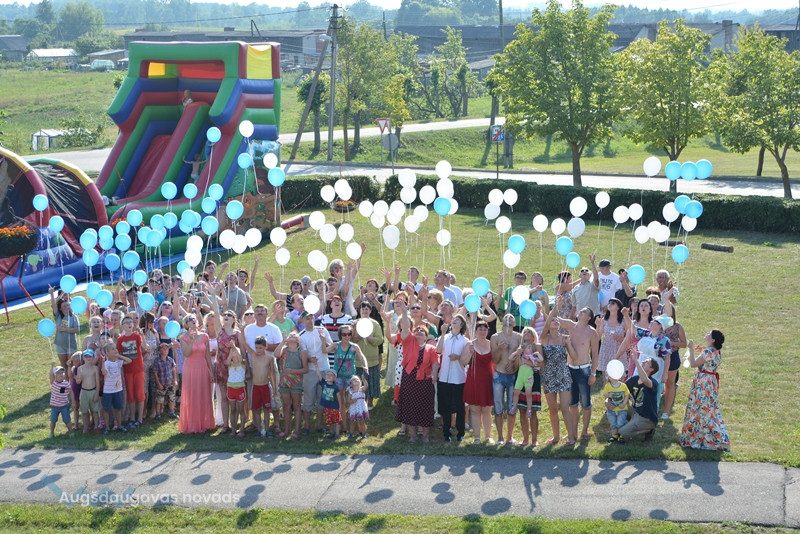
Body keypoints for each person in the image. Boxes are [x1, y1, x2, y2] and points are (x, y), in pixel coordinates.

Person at [679, 330, 730, 451]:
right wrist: (701, 351)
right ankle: (704, 436)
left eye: (709, 333)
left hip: (703, 383)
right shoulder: (715, 351)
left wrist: (691, 349)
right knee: (708, 409)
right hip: (710, 382)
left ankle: (698, 437)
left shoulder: (708, 351)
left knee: (699, 408)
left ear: (712, 340)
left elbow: (693, 364)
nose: (706, 334)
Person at [395, 308, 439, 443]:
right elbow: (405, 327)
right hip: (409, 379)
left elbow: (435, 363)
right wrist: (404, 312)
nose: (419, 331)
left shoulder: (431, 348)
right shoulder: (408, 342)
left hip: (425, 381)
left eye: (422, 331)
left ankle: (425, 436)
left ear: (426, 337)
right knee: (410, 407)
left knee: (425, 408)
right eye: (417, 330)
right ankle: (412, 436)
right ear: (413, 334)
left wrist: (434, 374)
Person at [558, 303, 600, 443]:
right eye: (580, 311)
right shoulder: (571, 325)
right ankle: (573, 431)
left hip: (584, 369)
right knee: (573, 403)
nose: (580, 312)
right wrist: (555, 305)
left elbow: (595, 354)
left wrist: (593, 373)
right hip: (570, 368)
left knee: (586, 403)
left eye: (583, 312)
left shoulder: (592, 332)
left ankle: (584, 431)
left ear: (588, 317)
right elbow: (555, 319)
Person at [177, 314, 215, 434]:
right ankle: (192, 424)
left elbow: (207, 355)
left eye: (194, 319)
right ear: (186, 324)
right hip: (190, 369)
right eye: (190, 320)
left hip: (202, 367)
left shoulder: (204, 336)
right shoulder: (183, 337)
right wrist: (192, 340)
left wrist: (211, 371)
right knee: (191, 395)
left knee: (203, 394)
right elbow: (186, 354)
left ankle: (204, 423)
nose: (193, 321)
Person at [298, 312, 334, 434]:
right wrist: (309, 359)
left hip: (325, 369)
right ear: (303, 320)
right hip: (310, 371)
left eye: (311, 318)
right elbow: (302, 356)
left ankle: (319, 425)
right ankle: (307, 426)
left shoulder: (322, 330)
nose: (310, 320)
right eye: (307, 318)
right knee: (308, 399)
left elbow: (332, 346)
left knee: (322, 398)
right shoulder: (301, 336)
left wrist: (324, 343)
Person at [435, 314, 469, 443]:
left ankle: (460, 432)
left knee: (459, 407)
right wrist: (443, 333)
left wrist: (458, 357)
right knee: (446, 407)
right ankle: (446, 432)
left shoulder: (465, 341)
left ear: (461, 325)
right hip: (444, 377)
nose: (454, 321)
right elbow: (438, 351)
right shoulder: (445, 337)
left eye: (458, 321)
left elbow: (466, 360)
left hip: (458, 378)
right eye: (454, 320)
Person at [490, 314, 522, 444]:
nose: (508, 317)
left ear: (514, 323)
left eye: (511, 317)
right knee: (498, 407)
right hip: (499, 375)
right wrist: (499, 349)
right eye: (506, 316)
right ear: (501, 320)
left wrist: (515, 365)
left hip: (513, 376)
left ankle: (509, 437)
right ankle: (500, 437)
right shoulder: (495, 337)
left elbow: (521, 356)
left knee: (512, 407)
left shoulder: (519, 337)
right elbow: (494, 360)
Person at [331, 325, 368, 433]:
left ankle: (355, 426)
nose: (347, 336)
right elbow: (324, 350)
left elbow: (362, 357)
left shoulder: (354, 346)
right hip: (338, 377)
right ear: (340, 335)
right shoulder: (336, 345)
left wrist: (365, 366)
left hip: (350, 378)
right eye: (344, 334)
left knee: (352, 401)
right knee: (341, 402)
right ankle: (344, 426)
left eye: (349, 334)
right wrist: (322, 338)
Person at [463, 321, 495, 444]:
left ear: (488, 331)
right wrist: (469, 353)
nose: (482, 331)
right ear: (475, 331)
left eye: (484, 329)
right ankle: (477, 437)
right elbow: (463, 362)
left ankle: (488, 436)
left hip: (488, 380)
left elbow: (496, 361)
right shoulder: (470, 344)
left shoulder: (491, 344)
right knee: (475, 410)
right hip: (474, 380)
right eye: (480, 329)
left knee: (487, 410)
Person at [618, 357, 660, 442]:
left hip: (646, 418)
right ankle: (632, 423)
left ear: (651, 369)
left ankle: (649, 430)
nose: (643, 362)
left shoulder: (653, 383)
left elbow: (644, 379)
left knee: (622, 433)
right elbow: (622, 390)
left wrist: (636, 361)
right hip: (635, 411)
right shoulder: (634, 379)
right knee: (616, 408)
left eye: (646, 362)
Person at [352, 301, 384, 409]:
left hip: (372, 360)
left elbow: (380, 340)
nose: (365, 311)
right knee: (358, 381)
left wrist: (370, 338)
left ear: (370, 311)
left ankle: (370, 401)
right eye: (362, 309)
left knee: (371, 380)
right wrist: (360, 335)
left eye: (367, 309)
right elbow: (351, 340)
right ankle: (358, 400)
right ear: (359, 311)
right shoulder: (354, 323)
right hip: (358, 360)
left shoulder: (375, 324)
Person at [277, 332, 308, 439]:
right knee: (286, 406)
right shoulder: (284, 350)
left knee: (297, 406)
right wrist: (282, 342)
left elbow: (305, 369)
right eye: (290, 335)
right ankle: (287, 430)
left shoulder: (302, 352)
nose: (292, 336)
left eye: (295, 335)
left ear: (298, 340)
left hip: (296, 382)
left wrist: (292, 371)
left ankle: (297, 431)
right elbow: (276, 355)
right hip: (284, 382)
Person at [117, 316, 146, 428]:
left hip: (138, 369)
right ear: (122, 325)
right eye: (127, 322)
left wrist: (143, 336)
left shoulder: (137, 336)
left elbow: (145, 347)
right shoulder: (120, 339)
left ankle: (140, 419)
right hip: (127, 370)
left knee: (140, 394)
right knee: (130, 395)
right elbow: (119, 355)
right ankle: (132, 418)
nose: (129, 324)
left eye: (131, 322)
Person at [250, 336, 278, 438]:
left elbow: (272, 374)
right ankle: (259, 430)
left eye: (260, 348)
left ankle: (266, 430)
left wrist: (274, 389)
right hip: (256, 387)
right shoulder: (253, 355)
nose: (258, 350)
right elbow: (244, 344)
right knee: (256, 410)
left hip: (265, 387)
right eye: (256, 348)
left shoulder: (269, 358)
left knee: (266, 410)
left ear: (265, 347)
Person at [101, 346, 131, 434]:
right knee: (106, 409)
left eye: (115, 348)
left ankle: (119, 426)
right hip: (108, 391)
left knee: (118, 408)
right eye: (112, 349)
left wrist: (119, 356)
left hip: (118, 389)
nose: (115, 350)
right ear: (107, 353)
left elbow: (129, 361)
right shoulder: (106, 363)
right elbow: (104, 372)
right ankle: (107, 427)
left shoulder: (118, 362)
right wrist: (103, 362)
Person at [594, 298, 626, 379]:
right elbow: (598, 337)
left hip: (619, 349)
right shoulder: (604, 320)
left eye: (613, 303)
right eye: (609, 303)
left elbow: (629, 337)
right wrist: (597, 325)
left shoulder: (623, 320)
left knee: (619, 376)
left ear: (618, 307)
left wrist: (620, 339)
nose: (610, 304)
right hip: (606, 349)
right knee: (606, 377)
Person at [50, 288, 79, 367]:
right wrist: (52, 294)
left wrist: (66, 329)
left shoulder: (73, 316)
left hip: (71, 344)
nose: (67, 307)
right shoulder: (58, 316)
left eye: (68, 305)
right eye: (64, 306)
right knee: (63, 366)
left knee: (71, 365)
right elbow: (53, 305)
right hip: (60, 344)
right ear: (60, 308)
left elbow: (77, 330)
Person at [76, 349, 100, 433]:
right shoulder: (80, 368)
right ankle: (86, 427)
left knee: (95, 411)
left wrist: (97, 393)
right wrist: (79, 378)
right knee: (84, 411)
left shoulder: (95, 368)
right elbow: (78, 381)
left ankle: (96, 426)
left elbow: (97, 382)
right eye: (86, 356)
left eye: (90, 356)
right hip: (84, 392)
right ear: (83, 358)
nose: (88, 358)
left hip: (93, 391)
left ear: (93, 357)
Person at [226, 346, 248, 438]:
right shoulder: (230, 364)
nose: (235, 355)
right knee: (233, 410)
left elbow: (241, 358)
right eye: (233, 353)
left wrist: (235, 348)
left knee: (241, 410)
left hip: (240, 389)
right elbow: (227, 361)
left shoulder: (243, 363)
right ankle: (233, 430)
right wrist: (231, 352)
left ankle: (242, 430)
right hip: (231, 389)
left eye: (236, 353)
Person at [152, 342, 178, 419]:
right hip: (161, 383)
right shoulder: (157, 361)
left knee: (171, 398)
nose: (166, 350)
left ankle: (171, 412)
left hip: (170, 383)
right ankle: (158, 414)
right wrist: (158, 384)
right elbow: (155, 373)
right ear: (160, 350)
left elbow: (174, 370)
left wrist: (175, 380)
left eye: (167, 348)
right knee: (159, 399)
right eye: (163, 348)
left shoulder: (170, 359)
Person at [603, 372, 630, 442]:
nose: (613, 377)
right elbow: (605, 395)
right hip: (611, 410)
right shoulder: (607, 386)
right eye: (611, 376)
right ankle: (614, 436)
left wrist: (624, 403)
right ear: (609, 377)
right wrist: (608, 396)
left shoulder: (623, 386)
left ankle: (622, 435)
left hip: (622, 409)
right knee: (613, 423)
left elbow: (627, 394)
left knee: (620, 423)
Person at [49, 366, 74, 437]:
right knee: (53, 420)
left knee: (67, 420)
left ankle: (71, 432)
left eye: (62, 373)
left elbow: (71, 392)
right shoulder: (53, 382)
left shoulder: (66, 383)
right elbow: (50, 375)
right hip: (54, 406)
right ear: (55, 375)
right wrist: (52, 367)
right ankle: (51, 433)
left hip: (64, 406)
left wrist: (73, 402)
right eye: (58, 373)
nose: (61, 374)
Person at [318, 369, 341, 439]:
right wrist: (316, 366)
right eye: (327, 374)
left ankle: (337, 434)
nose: (329, 376)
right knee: (329, 421)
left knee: (336, 421)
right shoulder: (323, 383)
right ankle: (331, 433)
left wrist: (340, 406)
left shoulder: (335, 386)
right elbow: (319, 375)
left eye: (331, 375)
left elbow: (339, 396)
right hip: (327, 407)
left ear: (334, 378)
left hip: (334, 407)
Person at [346, 375, 369, 439]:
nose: (356, 380)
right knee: (352, 422)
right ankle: (351, 433)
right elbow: (348, 400)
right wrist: (352, 401)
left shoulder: (361, 389)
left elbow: (366, 386)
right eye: (354, 380)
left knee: (362, 421)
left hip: (361, 408)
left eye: (357, 379)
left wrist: (364, 379)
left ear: (360, 382)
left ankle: (364, 433)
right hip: (354, 408)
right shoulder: (351, 391)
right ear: (351, 383)